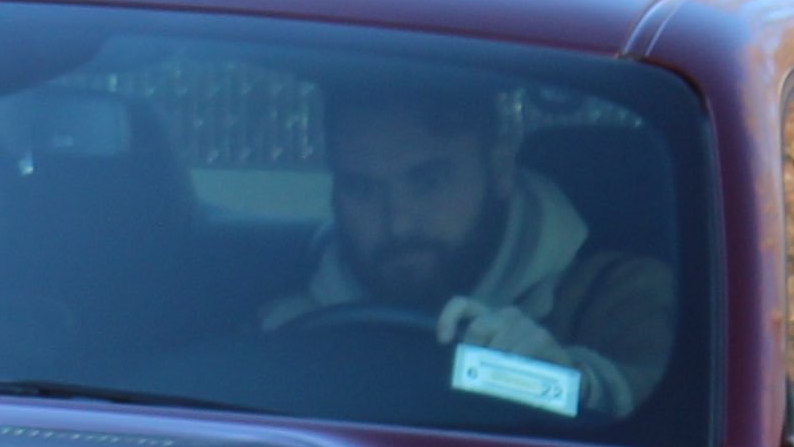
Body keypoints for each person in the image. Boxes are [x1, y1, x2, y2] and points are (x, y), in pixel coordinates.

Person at [266, 69, 677, 423]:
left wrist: (566, 380)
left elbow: (673, 414)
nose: (397, 222)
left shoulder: (618, 291)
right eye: (362, 189)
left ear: (499, 170)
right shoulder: (292, 327)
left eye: (429, 182)